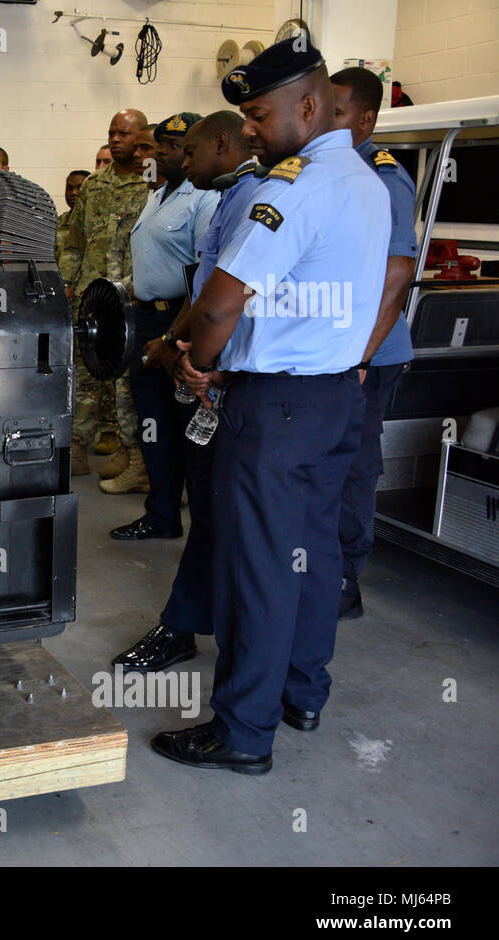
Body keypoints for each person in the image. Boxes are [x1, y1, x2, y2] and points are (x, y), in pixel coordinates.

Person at [151, 38, 390, 774]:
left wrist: (193, 362)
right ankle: (300, 692)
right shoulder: (370, 183)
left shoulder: (293, 188)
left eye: (258, 115)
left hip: (276, 408)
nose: (248, 129)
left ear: (308, 106)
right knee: (314, 556)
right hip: (334, 401)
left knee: (256, 566)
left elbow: (221, 301)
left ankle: (243, 731)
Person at [110, 111, 263, 674]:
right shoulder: (227, 193)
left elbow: (222, 297)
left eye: (188, 149)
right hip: (215, 362)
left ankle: (250, 653)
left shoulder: (260, 196)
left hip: (241, 377)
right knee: (213, 507)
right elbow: (209, 286)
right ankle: (205, 629)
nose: (179, 158)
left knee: (227, 511)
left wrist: (191, 358)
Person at [331, 67, 418, 619]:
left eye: (337, 113)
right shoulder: (331, 169)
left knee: (355, 464)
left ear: (367, 118)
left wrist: (361, 356)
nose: (325, 123)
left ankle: (346, 579)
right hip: (339, 347)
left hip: (371, 353)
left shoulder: (383, 177)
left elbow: (397, 273)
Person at [110, 113, 217, 523]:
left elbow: (204, 276)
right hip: (148, 321)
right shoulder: (156, 195)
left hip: (182, 322)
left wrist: (175, 337)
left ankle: (200, 528)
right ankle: (161, 513)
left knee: (185, 423)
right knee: (152, 421)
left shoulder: (203, 199)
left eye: (157, 149)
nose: (146, 156)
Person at [58, 110, 150, 480]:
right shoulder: (94, 185)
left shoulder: (151, 186)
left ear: (140, 138)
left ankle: (131, 452)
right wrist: (67, 280)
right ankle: (77, 445)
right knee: (84, 374)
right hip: (90, 298)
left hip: (128, 299)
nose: (115, 139)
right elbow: (74, 239)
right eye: (112, 132)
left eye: (124, 134)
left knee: (126, 378)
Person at [55, 170, 90, 264]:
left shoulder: (99, 222)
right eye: (70, 188)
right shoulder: (57, 223)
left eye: (79, 188)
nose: (73, 192)